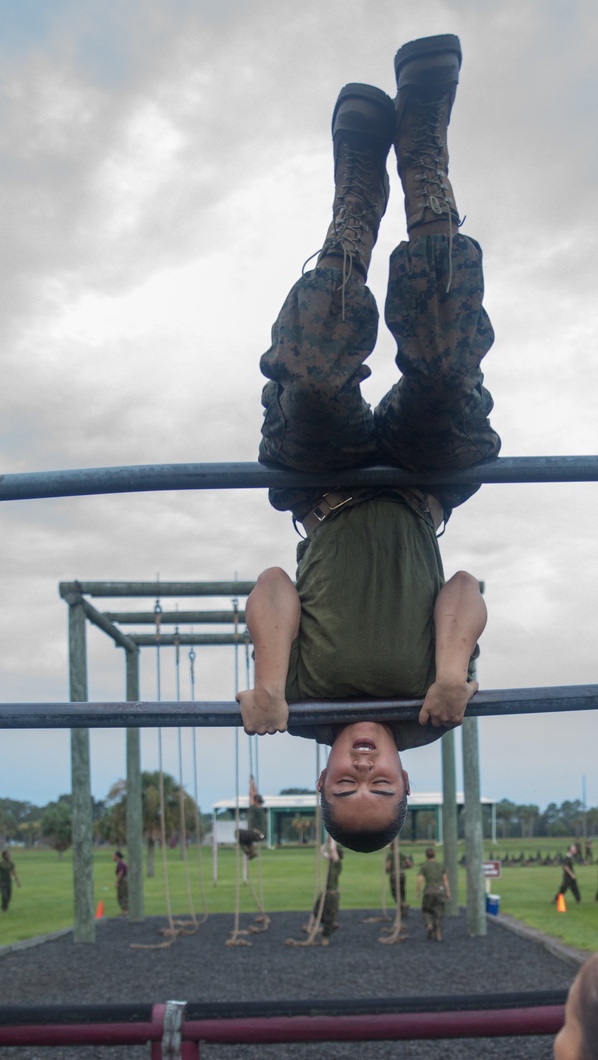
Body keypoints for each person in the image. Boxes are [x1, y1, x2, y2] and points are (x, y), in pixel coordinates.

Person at [236, 34, 501, 855]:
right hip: (422, 483)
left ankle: (355, 200)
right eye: (378, 785)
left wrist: (269, 683)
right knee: (448, 374)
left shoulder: (301, 708)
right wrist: (452, 669)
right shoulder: (433, 712)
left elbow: (275, 584)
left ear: (319, 778)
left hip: (328, 484)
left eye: (345, 783)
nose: (361, 767)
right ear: (404, 778)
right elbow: (463, 585)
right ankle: (424, 157)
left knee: (312, 379)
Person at [310, 839, 344, 943]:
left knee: (329, 915)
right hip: (325, 893)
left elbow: (333, 849)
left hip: (331, 895)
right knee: (316, 911)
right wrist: (327, 842)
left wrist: (333, 838)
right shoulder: (330, 862)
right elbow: (322, 851)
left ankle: (325, 938)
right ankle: (329, 925)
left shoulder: (337, 864)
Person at [417, 845, 450, 940]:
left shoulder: (424, 866)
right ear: (434, 855)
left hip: (428, 891)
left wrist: (418, 891)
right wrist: (448, 892)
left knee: (426, 910)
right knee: (438, 912)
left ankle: (429, 924)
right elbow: (445, 880)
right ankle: (438, 933)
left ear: (426, 856)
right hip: (440, 891)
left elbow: (419, 879)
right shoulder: (440, 866)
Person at [385, 845, 414, 919]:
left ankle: (403, 905)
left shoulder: (390, 855)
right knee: (402, 892)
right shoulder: (401, 854)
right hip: (402, 875)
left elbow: (388, 866)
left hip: (394, 875)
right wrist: (403, 867)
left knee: (395, 893)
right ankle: (402, 907)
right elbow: (410, 865)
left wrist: (387, 870)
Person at [113, 850, 129, 915]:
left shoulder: (120, 864)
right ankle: (125, 909)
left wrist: (117, 882)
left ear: (117, 857)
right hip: (125, 880)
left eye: (113, 856)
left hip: (123, 880)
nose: (112, 857)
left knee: (121, 895)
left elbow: (120, 873)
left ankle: (125, 910)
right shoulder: (122, 863)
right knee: (124, 894)